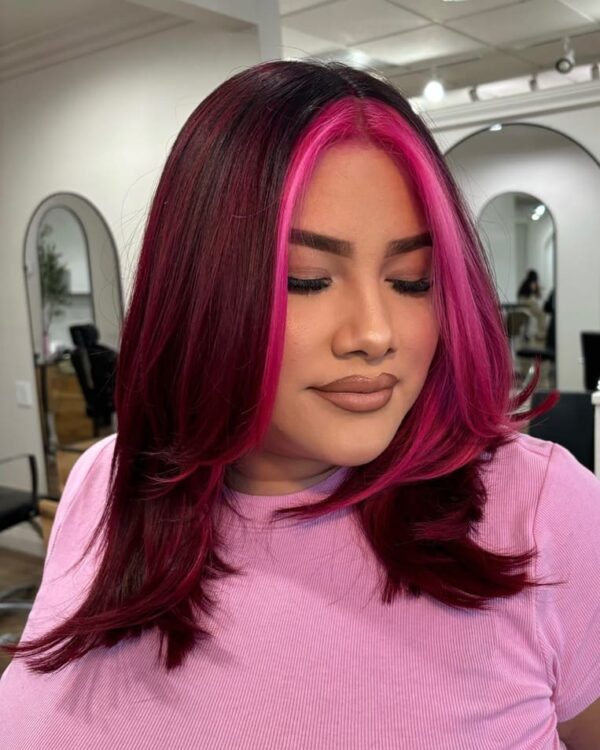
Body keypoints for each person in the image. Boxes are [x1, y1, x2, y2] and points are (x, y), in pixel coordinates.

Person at [1, 60, 599, 750]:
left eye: (413, 281)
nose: (375, 334)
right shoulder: (105, 480)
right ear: (200, 289)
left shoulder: (542, 511)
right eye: (308, 281)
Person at [517, 269, 548, 343]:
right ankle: (541, 334)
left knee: (541, 314)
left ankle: (540, 334)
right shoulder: (531, 284)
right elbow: (536, 296)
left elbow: (536, 296)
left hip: (525, 304)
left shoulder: (525, 284)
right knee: (542, 314)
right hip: (527, 303)